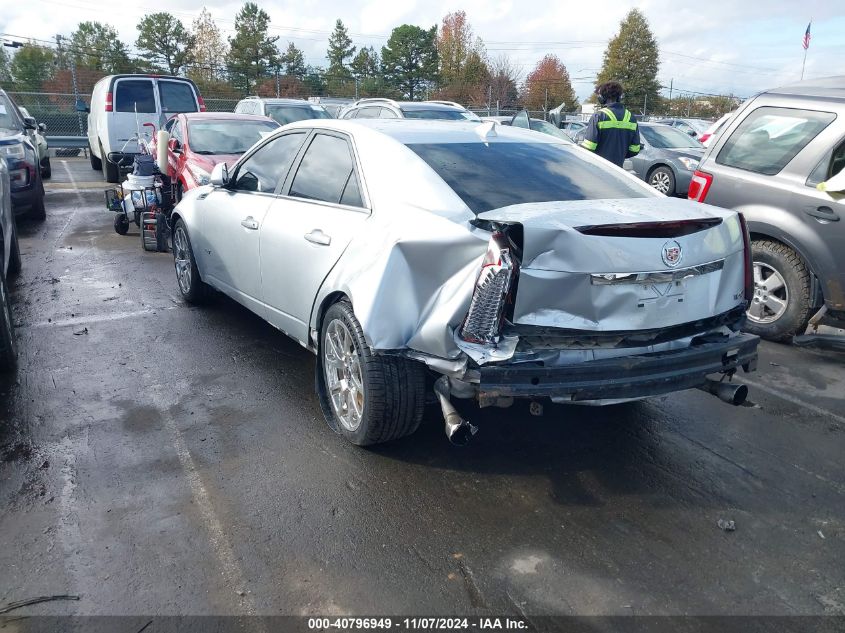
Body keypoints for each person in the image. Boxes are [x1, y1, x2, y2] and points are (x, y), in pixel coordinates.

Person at [580, 81, 641, 167]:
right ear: (619, 98)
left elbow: (588, 147)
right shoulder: (631, 118)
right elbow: (635, 149)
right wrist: (618, 155)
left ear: (602, 98)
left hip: (598, 170)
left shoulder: (599, 116)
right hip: (617, 171)